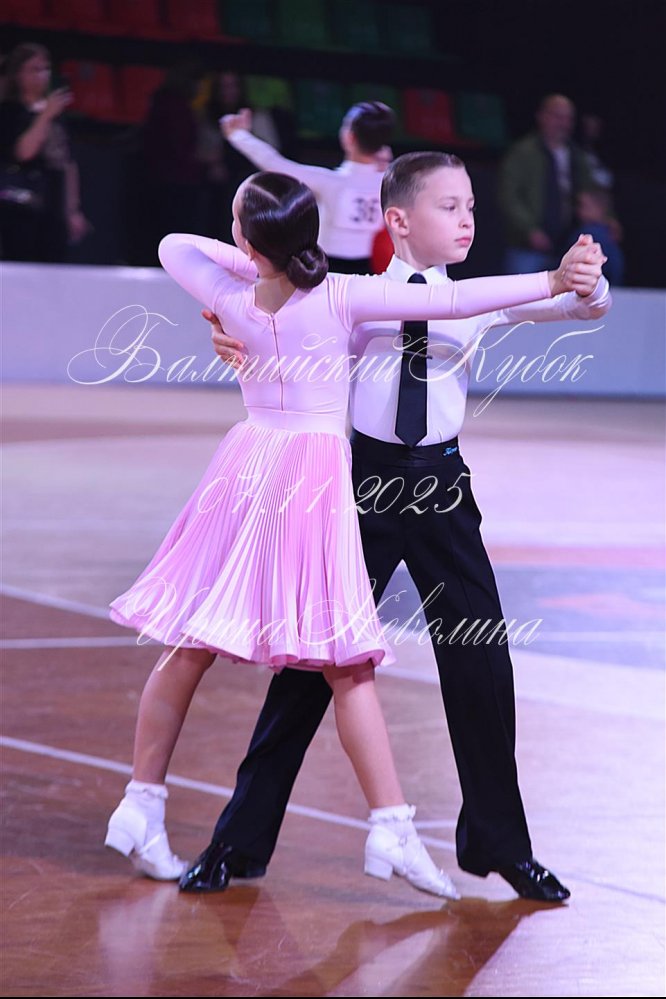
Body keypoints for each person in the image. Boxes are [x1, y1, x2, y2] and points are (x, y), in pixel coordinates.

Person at [104, 168, 590, 899]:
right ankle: (249, 839)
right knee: (316, 668)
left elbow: (575, 305)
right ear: (398, 220)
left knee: (475, 658)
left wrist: (578, 278)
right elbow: (309, 312)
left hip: (429, 486)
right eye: (450, 205)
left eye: (469, 205)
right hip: (349, 484)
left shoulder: (429, 294)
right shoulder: (349, 295)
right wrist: (261, 272)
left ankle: (493, 841)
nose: (467, 218)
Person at [220, 101, 395, 274]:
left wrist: (237, 134)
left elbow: (274, 163)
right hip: (367, 271)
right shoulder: (390, 181)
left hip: (323, 270)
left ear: (349, 137)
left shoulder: (331, 182)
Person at [0, 42, 89, 262]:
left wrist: (73, 210)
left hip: (54, 201)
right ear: (18, 74)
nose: (42, 75)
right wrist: (45, 116)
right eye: (34, 69)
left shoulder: (56, 113)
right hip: (20, 205)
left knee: (54, 263)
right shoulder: (10, 111)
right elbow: (24, 153)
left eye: (45, 68)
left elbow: (67, 162)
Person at [498, 93, 596, 274]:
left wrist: (608, 218)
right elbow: (509, 197)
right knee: (522, 285)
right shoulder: (522, 153)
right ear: (541, 116)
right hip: (528, 246)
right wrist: (529, 230)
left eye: (568, 119)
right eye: (558, 116)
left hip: (570, 243)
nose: (563, 124)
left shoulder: (577, 157)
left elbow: (592, 193)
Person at [569, 187, 624, 285]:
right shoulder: (608, 232)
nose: (579, 211)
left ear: (599, 209)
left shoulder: (591, 234)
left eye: (584, 206)